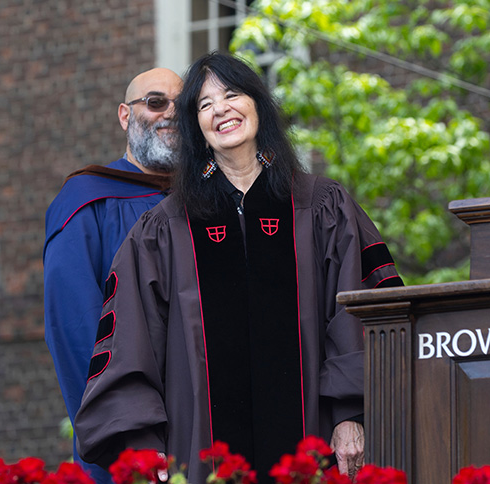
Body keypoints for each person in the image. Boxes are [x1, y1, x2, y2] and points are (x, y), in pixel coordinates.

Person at [74, 53, 403, 484]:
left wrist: (350, 413)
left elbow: (358, 314)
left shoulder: (322, 206)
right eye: (205, 105)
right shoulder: (164, 229)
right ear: (196, 128)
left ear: (257, 106)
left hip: (316, 442)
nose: (221, 109)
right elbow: (133, 340)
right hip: (201, 454)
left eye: (232, 94)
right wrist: (145, 448)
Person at [44, 67, 182, 484]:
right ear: (125, 115)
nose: (171, 114)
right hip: (131, 440)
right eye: (156, 102)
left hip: (207, 427)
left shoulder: (208, 204)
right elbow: (78, 331)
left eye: (183, 105)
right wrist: (127, 437)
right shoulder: (87, 202)